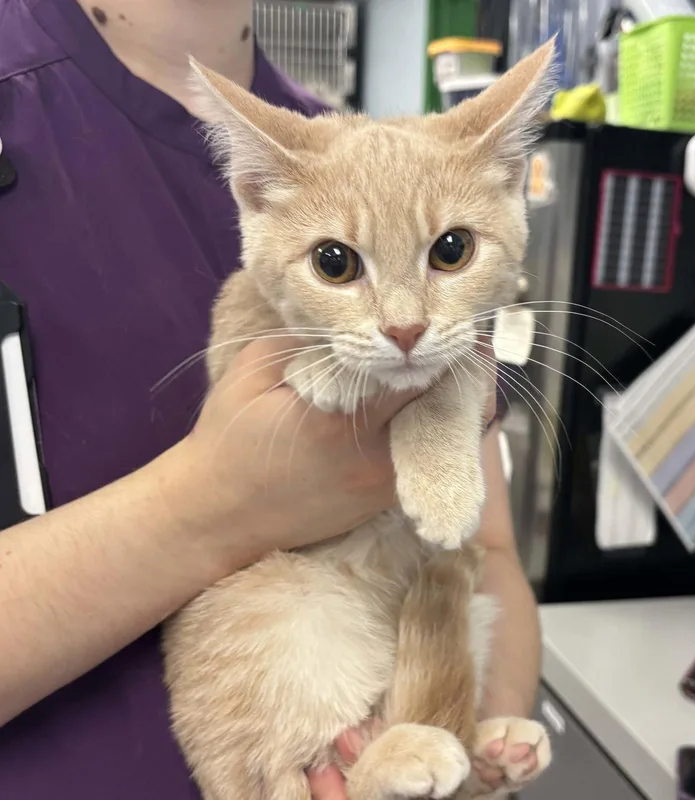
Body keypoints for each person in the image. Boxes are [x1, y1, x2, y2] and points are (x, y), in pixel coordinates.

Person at [0, 1, 543, 798]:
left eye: (450, 251)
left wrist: (465, 753)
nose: (402, 325)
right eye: (336, 263)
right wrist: (218, 504)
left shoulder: (346, 147)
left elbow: (484, 552)